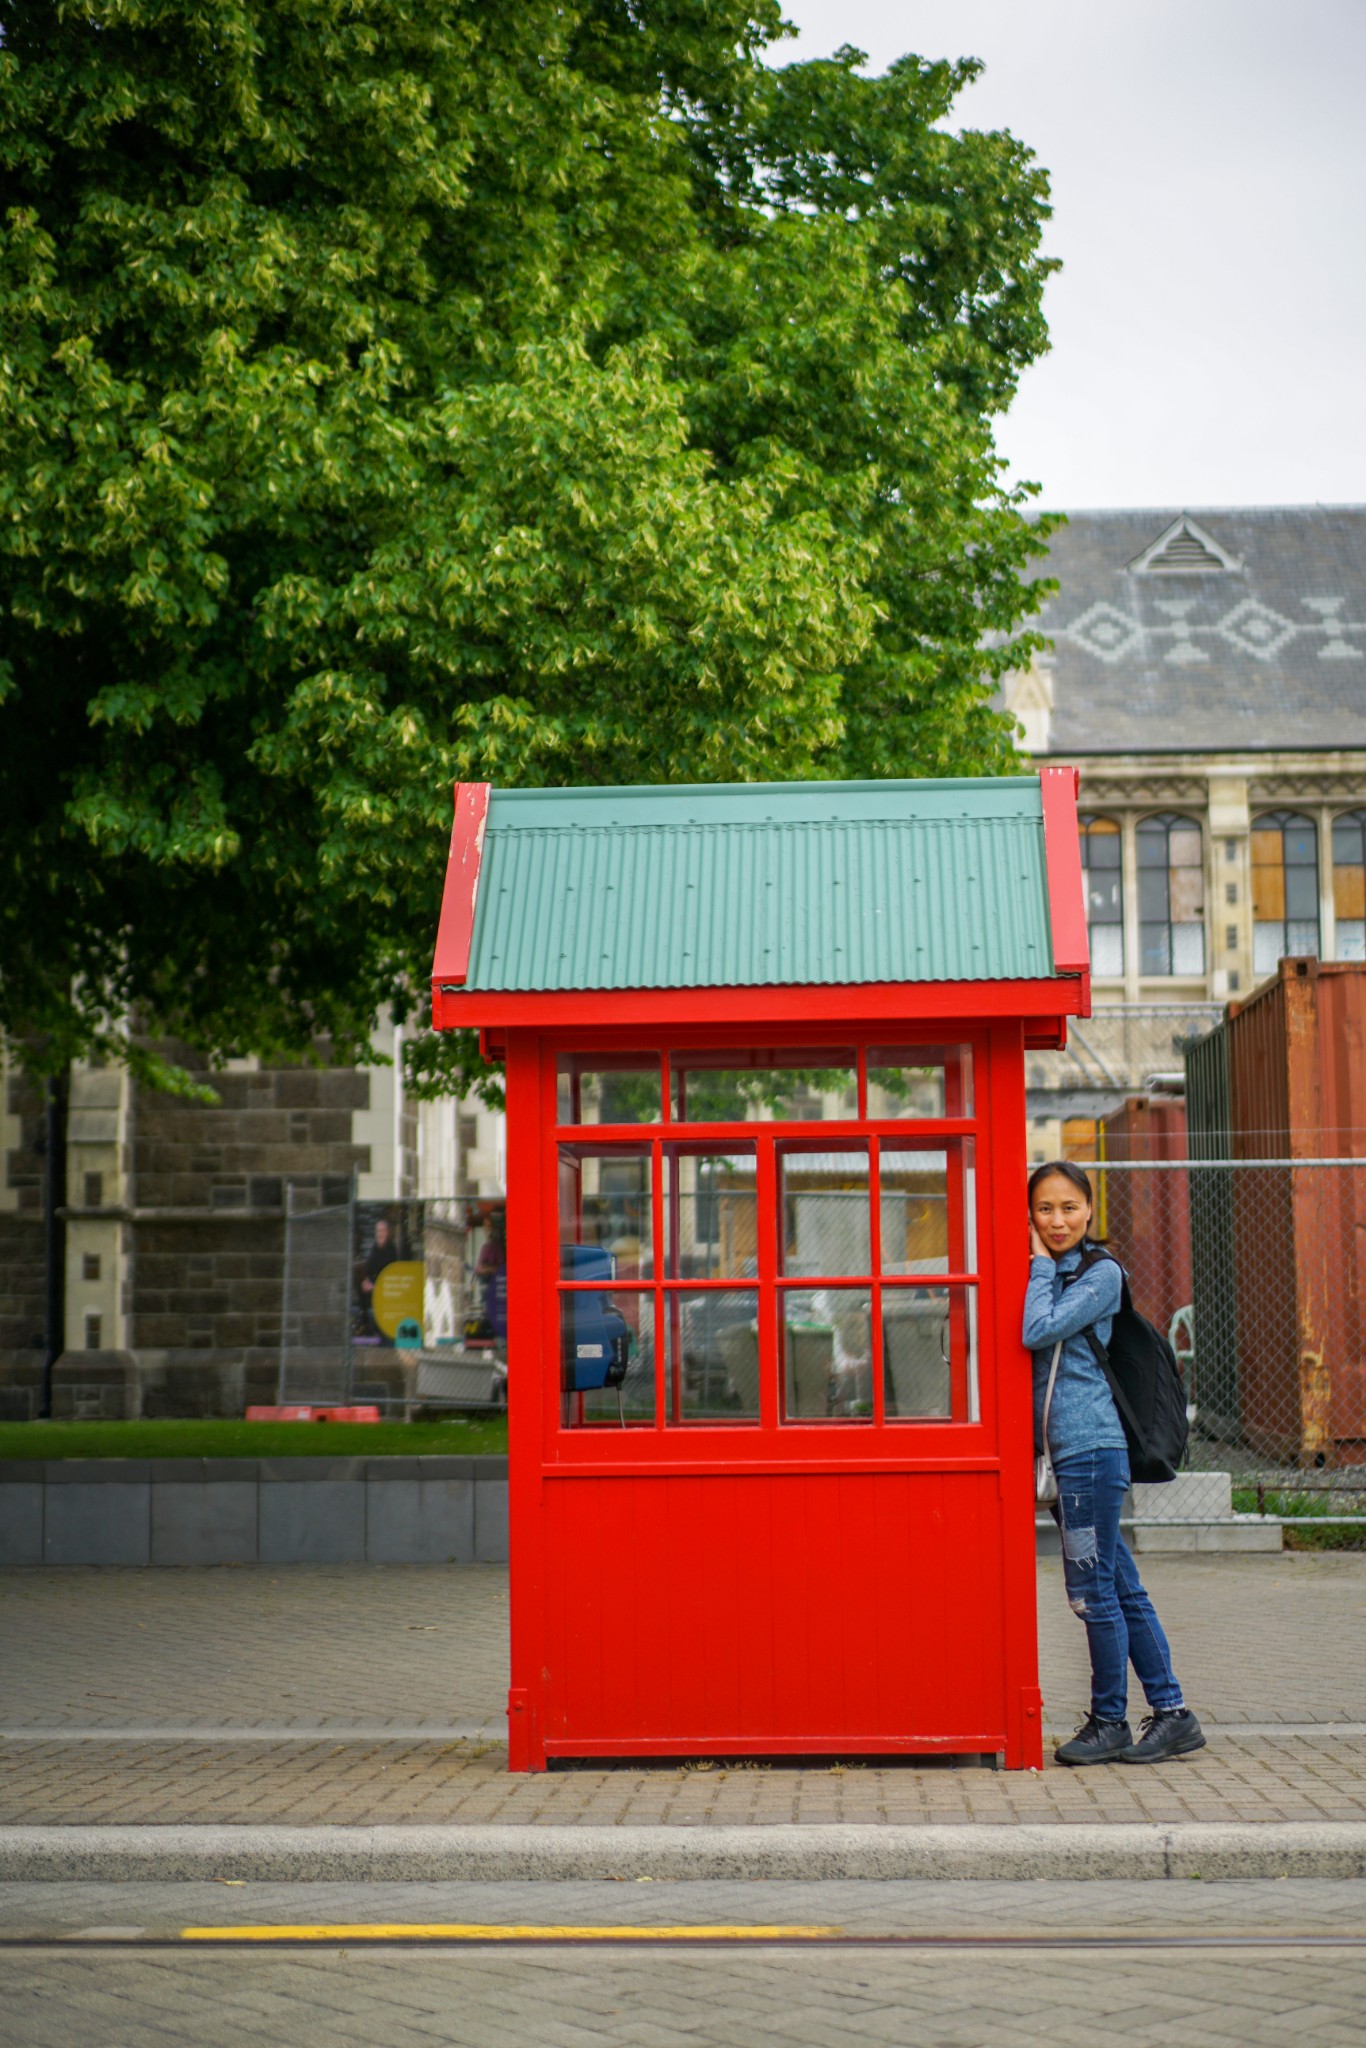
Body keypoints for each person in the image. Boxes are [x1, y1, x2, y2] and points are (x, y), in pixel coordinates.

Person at [1024, 1160, 1205, 1767]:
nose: (1057, 1220)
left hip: (1090, 1451)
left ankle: (1109, 1721)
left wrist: (1040, 1265)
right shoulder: (1055, 1269)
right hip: (1069, 1451)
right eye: (1044, 1209)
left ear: (1089, 1211)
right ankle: (1173, 1713)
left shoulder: (1100, 1273)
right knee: (1122, 1586)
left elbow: (1036, 1329)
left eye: (1068, 1207)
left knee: (1091, 1592)